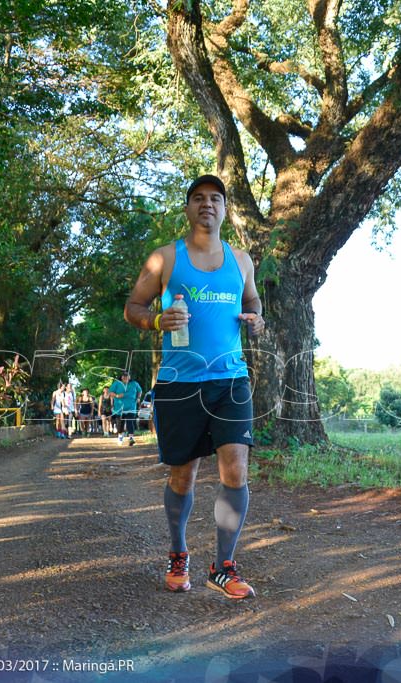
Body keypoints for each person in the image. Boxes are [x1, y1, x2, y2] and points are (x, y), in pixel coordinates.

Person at [123, 174, 265, 600]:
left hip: (231, 379)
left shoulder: (242, 261)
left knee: (236, 470)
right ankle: (177, 553)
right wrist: (153, 321)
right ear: (187, 208)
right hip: (180, 383)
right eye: (199, 199)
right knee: (183, 476)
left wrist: (257, 320)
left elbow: (253, 302)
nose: (208, 204)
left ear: (225, 209)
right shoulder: (165, 258)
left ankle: (223, 566)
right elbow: (133, 307)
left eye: (216, 199)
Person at [109, 371, 142, 446]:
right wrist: (117, 396)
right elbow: (110, 393)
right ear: (121, 377)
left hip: (131, 406)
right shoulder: (117, 383)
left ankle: (131, 438)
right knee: (120, 424)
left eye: (127, 376)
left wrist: (139, 398)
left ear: (130, 377)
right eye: (123, 376)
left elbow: (140, 391)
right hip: (119, 408)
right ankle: (120, 437)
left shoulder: (134, 383)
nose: (125, 377)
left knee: (130, 422)